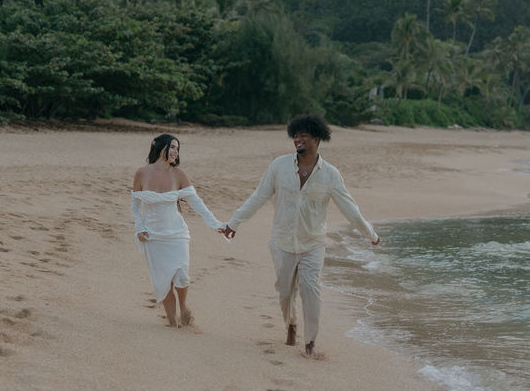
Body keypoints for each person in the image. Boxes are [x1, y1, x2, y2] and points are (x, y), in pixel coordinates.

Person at [222, 114, 380, 357]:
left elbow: (350, 208)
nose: (298, 139)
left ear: (317, 138)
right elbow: (259, 196)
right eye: (295, 135)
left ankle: (310, 342)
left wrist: (370, 233)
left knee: (310, 289)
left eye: (303, 135)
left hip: (313, 243)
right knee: (285, 293)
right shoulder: (279, 166)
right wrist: (234, 222)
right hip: (282, 241)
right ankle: (291, 324)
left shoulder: (330, 174)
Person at [132, 133, 226, 328]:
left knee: (182, 275)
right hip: (153, 236)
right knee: (163, 281)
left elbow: (197, 204)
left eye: (177, 148)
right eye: (173, 147)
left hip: (177, 234)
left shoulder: (179, 175)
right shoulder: (142, 173)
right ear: (158, 146)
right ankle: (173, 322)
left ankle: (183, 308)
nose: (175, 152)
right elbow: (135, 205)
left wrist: (216, 224)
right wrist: (140, 228)